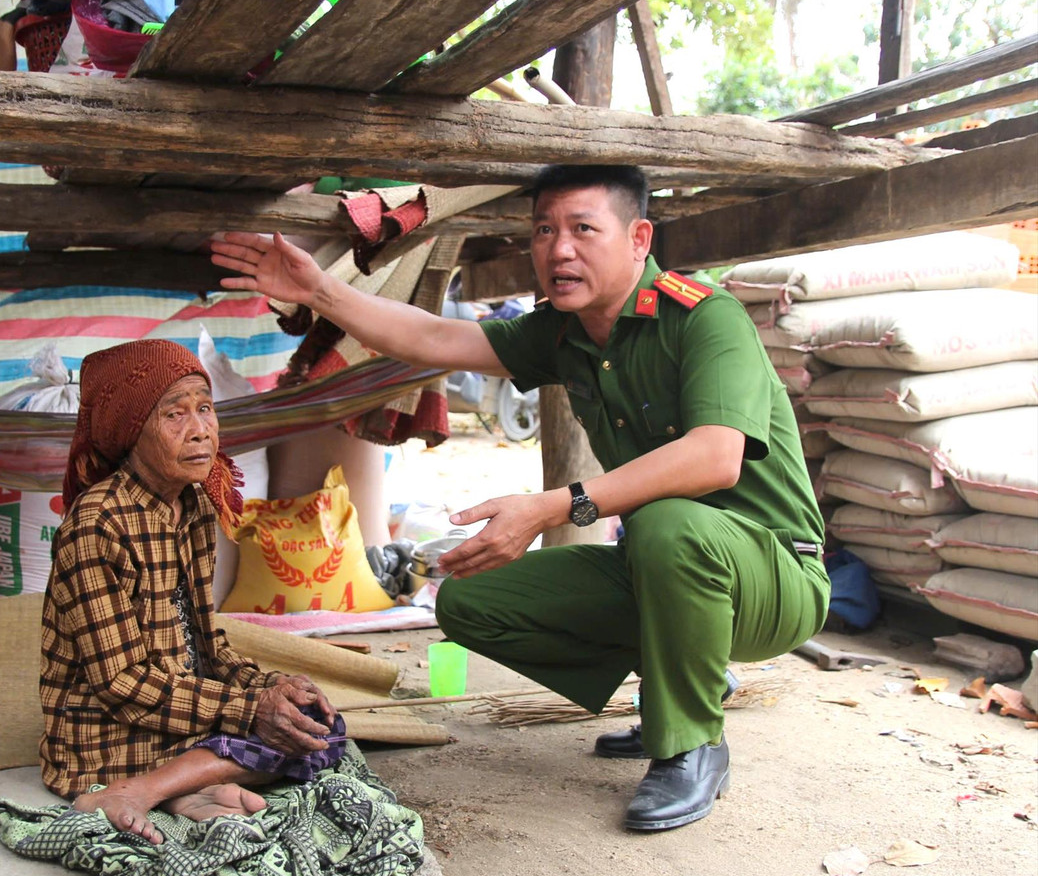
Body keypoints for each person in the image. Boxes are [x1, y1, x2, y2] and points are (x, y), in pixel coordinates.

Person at [209, 165, 829, 832]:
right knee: (472, 601)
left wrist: (553, 505)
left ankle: (690, 742)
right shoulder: (564, 332)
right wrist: (320, 290)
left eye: (583, 229)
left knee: (672, 525)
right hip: (665, 568)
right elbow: (435, 338)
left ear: (639, 238)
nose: (559, 249)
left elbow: (716, 456)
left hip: (774, 575)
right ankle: (689, 681)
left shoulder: (705, 318)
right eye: (543, 230)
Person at [41, 339, 344, 843]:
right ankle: (135, 790)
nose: (201, 430)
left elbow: (205, 644)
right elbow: (123, 685)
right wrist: (249, 709)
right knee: (285, 738)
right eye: (175, 415)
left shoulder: (196, 507)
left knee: (313, 727)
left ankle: (178, 787)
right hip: (105, 737)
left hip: (177, 712)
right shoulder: (96, 525)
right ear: (131, 431)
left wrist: (269, 687)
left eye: (204, 408)